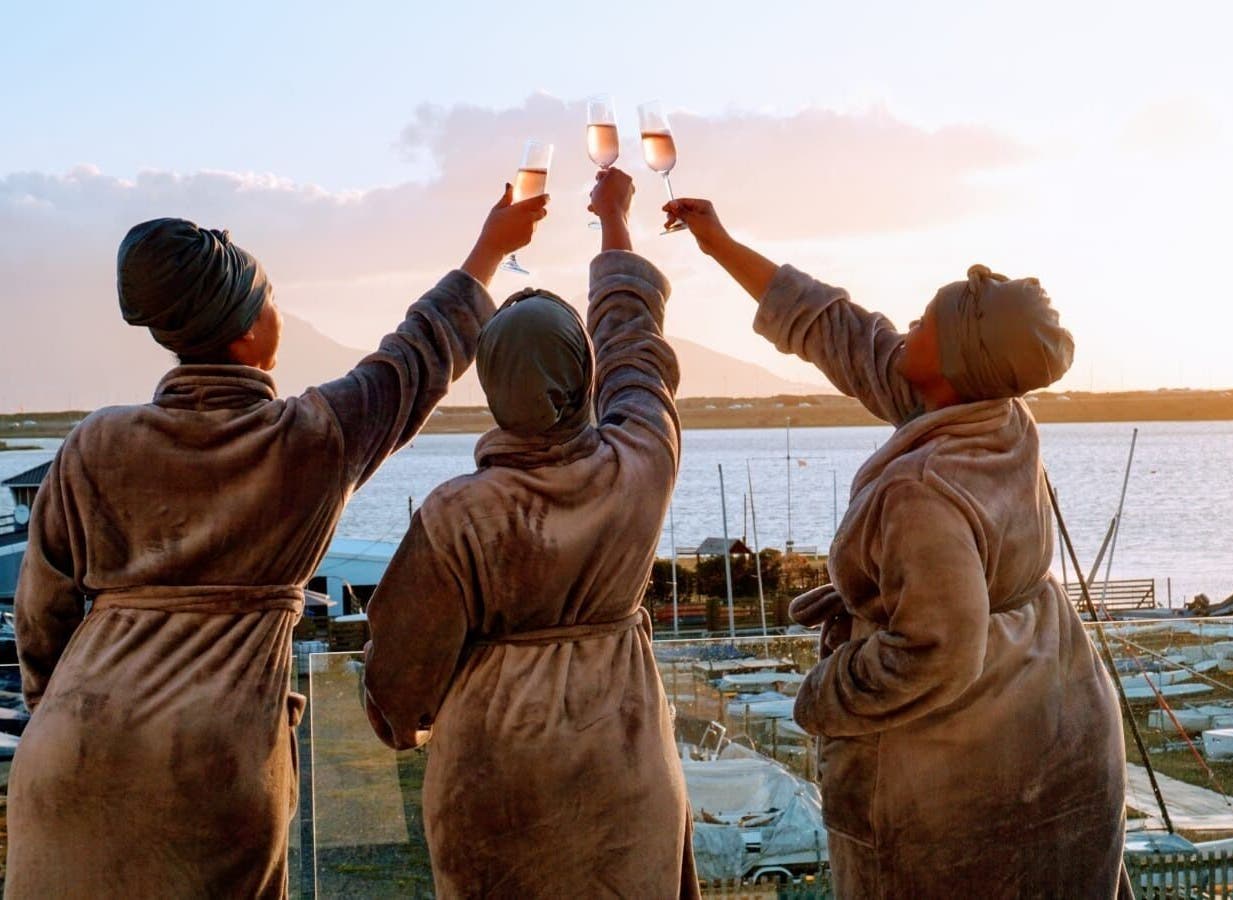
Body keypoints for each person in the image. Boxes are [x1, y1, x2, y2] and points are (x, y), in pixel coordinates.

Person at [6, 185, 547, 899]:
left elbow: (41, 617)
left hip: (69, 757)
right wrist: (488, 253)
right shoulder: (311, 438)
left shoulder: (95, 443)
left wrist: (59, 713)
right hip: (214, 769)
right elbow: (418, 356)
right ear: (246, 334)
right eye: (270, 300)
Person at [664, 198, 1130, 899]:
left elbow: (933, 649)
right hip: (1058, 722)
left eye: (927, 322)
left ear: (956, 361)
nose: (907, 324)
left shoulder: (922, 488)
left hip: (958, 773)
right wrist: (718, 242)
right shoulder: (991, 412)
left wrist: (824, 694)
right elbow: (836, 328)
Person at [363, 168, 699, 899]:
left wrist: (405, 726)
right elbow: (635, 343)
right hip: (624, 775)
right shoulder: (641, 463)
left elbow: (398, 688)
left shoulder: (458, 515)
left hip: (492, 791)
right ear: (583, 377)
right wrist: (614, 221)